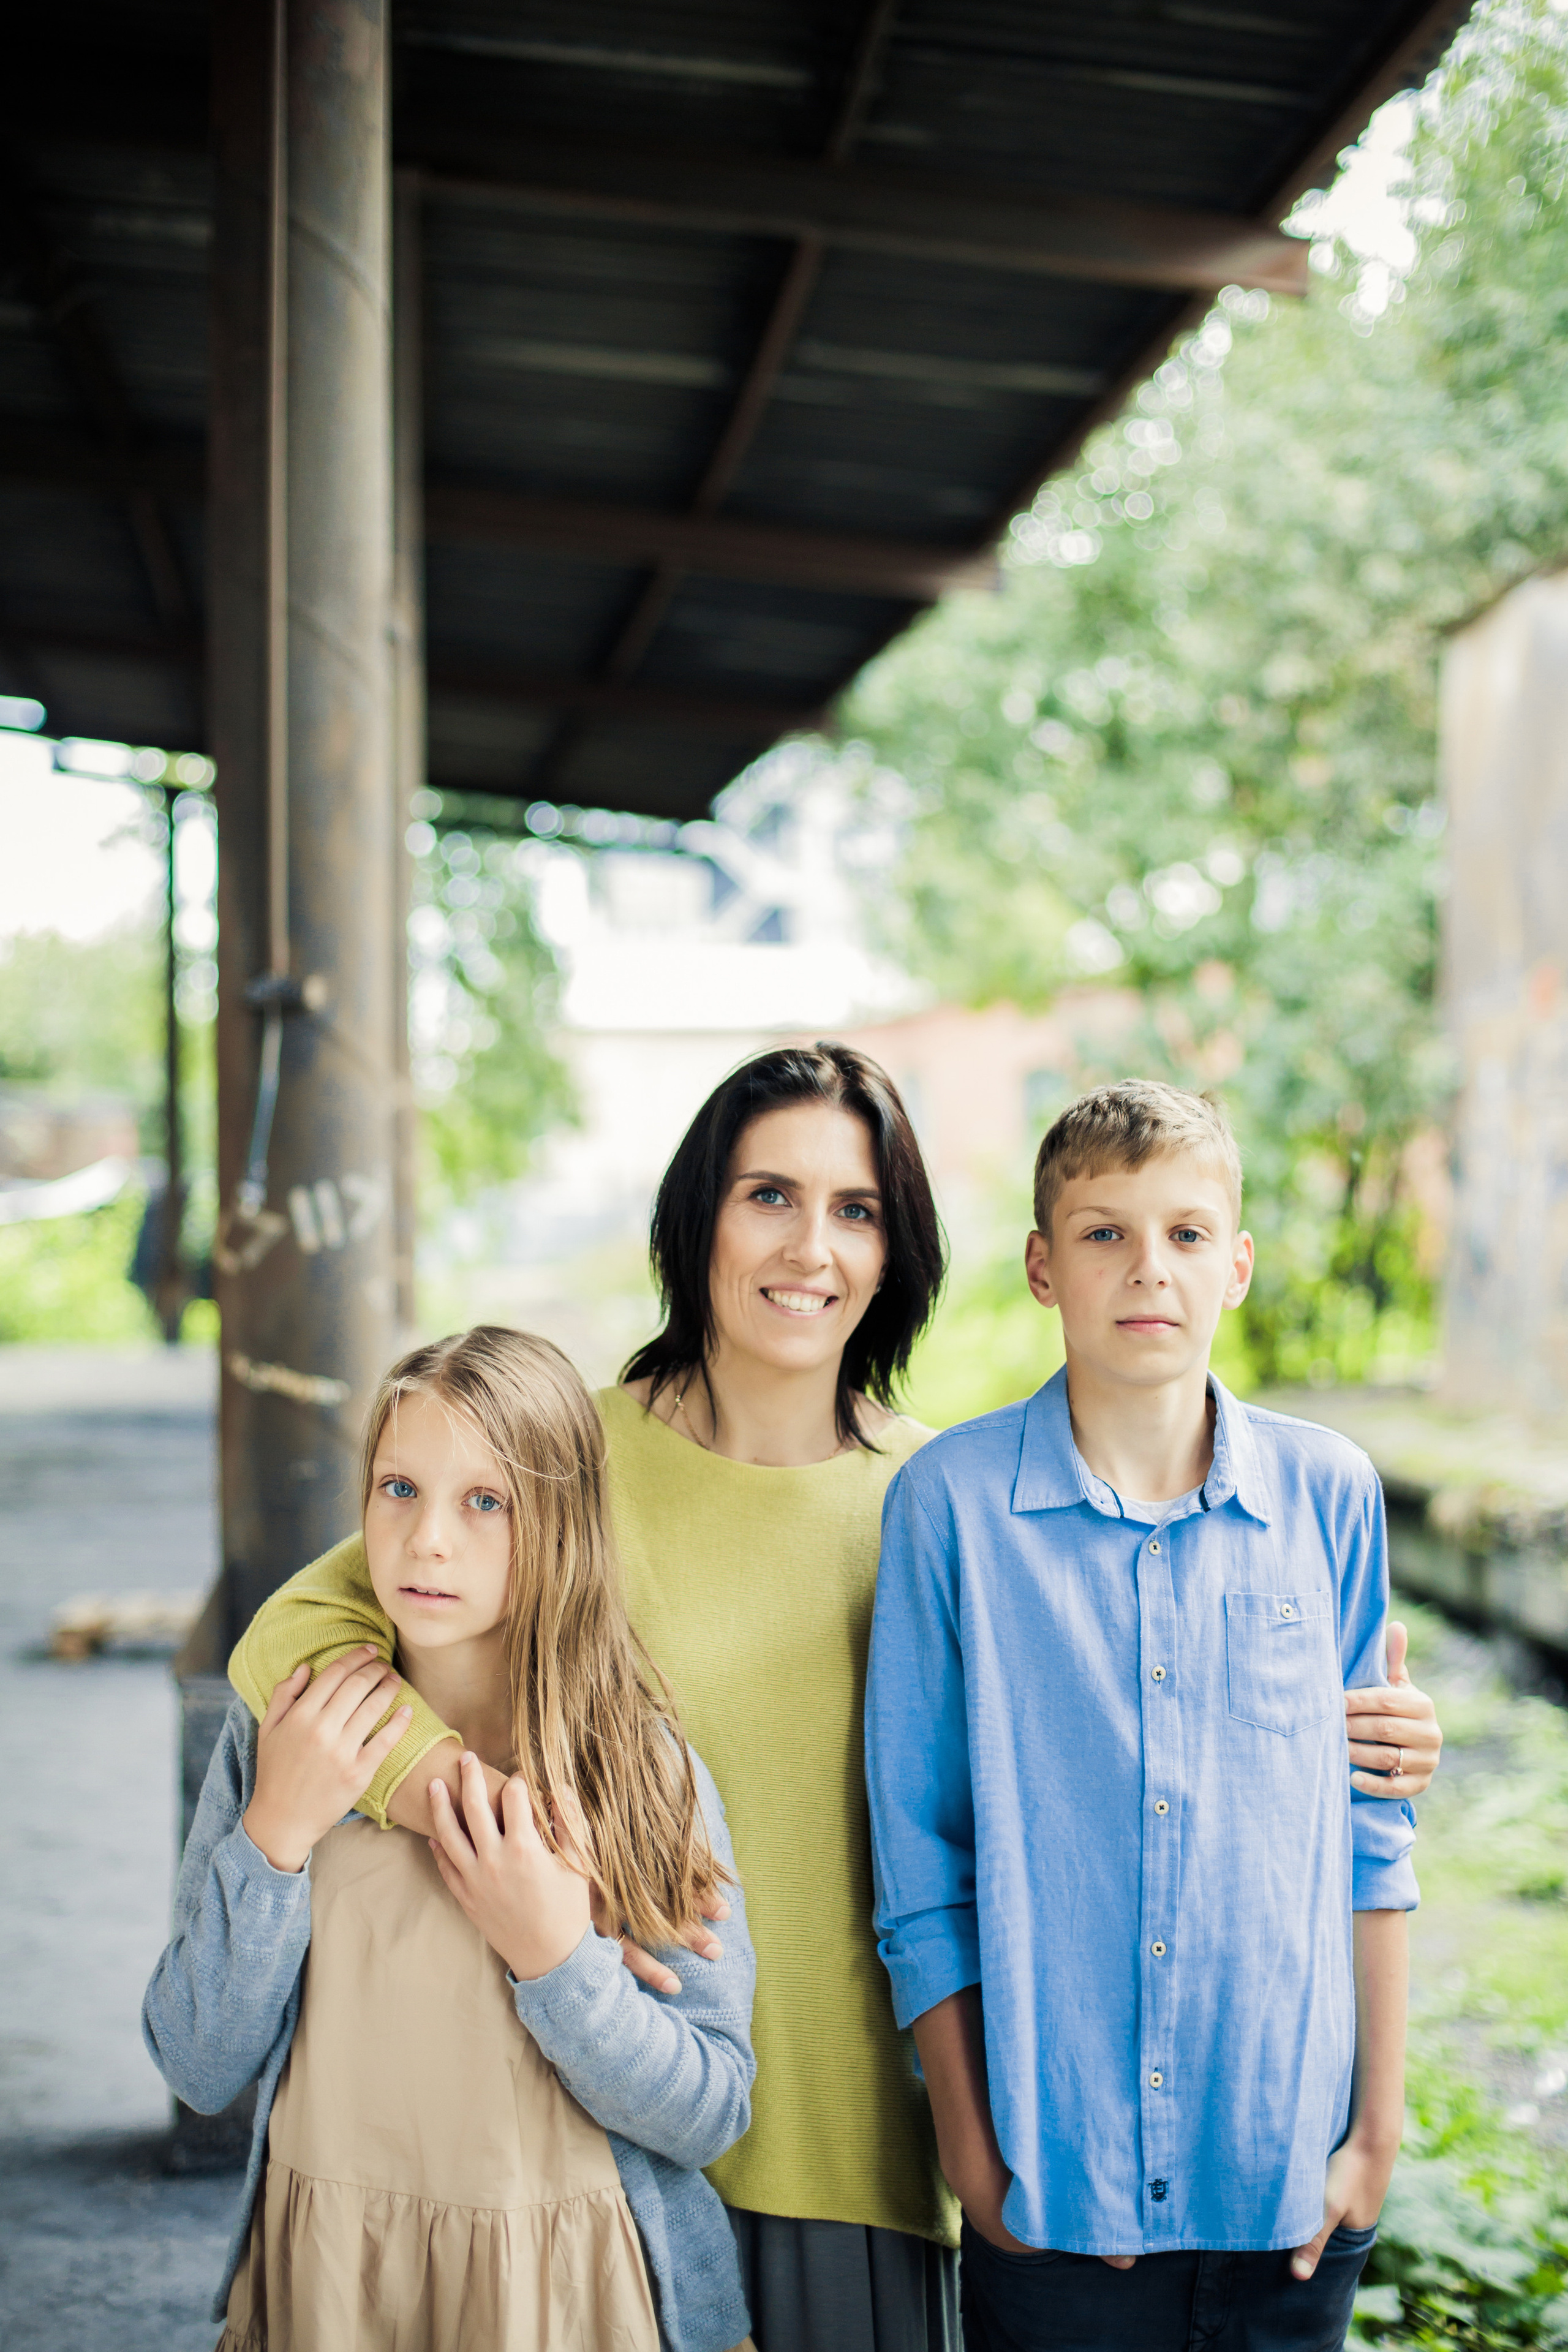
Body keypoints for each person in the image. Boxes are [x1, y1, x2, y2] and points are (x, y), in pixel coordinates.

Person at [225, 1046, 1442, 2352]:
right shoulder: (557, 1459)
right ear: (696, 1219)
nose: (810, 1246)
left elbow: (1084, 1781)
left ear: (891, 1248)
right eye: (767, 1196)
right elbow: (295, 1631)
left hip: (856, 2165)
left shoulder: (941, 1503)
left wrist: (1351, 1742)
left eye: (853, 1209)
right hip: (591, 2123)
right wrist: (469, 1812)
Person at [864, 1080, 1421, 2352]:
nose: (1144, 1269)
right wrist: (969, 2148)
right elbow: (917, 1859)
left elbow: (1370, 1835)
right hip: (1055, 2197)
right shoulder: (947, 1510)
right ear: (1040, 1266)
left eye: (1182, 1234)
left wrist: (1368, 2143)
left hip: (1284, 2188)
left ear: (1231, 1267)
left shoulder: (1329, 1497)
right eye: (1102, 1232)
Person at [145, 1326, 757, 2352]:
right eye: (398, 1488)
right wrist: (275, 1837)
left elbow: (708, 2111)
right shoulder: (289, 1734)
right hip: (337, 2286)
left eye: (487, 1500)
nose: (429, 1538)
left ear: (562, 1524)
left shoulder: (638, 1768)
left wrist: (557, 1961)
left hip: (576, 2298)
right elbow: (198, 2065)